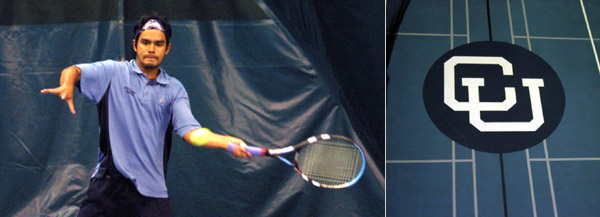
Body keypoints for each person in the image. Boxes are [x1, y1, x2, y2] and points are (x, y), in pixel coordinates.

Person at [41, 15, 251, 217]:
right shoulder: (112, 73)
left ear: (167, 49)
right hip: (108, 185)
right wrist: (68, 84)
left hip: (151, 191)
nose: (151, 48)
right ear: (135, 45)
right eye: (146, 42)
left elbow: (191, 133)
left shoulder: (174, 90)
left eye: (158, 44)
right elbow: (74, 71)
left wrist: (227, 143)